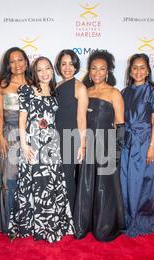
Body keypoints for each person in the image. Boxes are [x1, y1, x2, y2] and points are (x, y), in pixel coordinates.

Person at [8, 56, 75, 243]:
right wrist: (24, 145)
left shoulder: (55, 91)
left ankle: (51, 224)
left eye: (48, 69)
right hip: (33, 143)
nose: (45, 73)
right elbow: (22, 118)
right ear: (34, 73)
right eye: (40, 70)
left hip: (52, 144)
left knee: (50, 184)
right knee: (34, 184)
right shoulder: (27, 90)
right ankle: (32, 225)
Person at [74, 50, 125, 242]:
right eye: (94, 68)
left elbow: (120, 125)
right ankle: (83, 224)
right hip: (86, 145)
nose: (97, 72)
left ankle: (102, 227)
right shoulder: (84, 91)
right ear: (89, 70)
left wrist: (116, 153)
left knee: (104, 187)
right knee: (86, 184)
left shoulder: (114, 93)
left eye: (101, 69)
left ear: (108, 71)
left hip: (106, 146)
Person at [120, 53, 154, 237]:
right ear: (130, 71)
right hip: (127, 142)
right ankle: (126, 217)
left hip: (145, 142)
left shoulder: (152, 91)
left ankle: (141, 218)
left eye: (142, 68)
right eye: (135, 68)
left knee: (143, 182)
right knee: (125, 181)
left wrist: (152, 147)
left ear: (147, 71)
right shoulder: (124, 92)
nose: (138, 71)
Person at [0, 47, 31, 233]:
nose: (17, 64)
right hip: (8, 135)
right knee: (9, 179)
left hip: (30, 136)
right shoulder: (1, 84)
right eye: (12, 61)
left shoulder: (35, 83)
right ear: (7, 64)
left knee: (29, 180)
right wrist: (0, 136)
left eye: (20, 60)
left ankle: (27, 222)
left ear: (26, 61)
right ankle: (10, 223)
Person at [54, 49, 88, 213]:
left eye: (71, 64)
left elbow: (82, 119)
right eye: (64, 64)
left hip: (70, 138)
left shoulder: (80, 87)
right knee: (57, 177)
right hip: (54, 137)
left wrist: (82, 145)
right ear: (59, 66)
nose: (67, 68)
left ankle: (72, 217)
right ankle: (59, 214)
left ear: (76, 66)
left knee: (68, 178)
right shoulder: (56, 86)